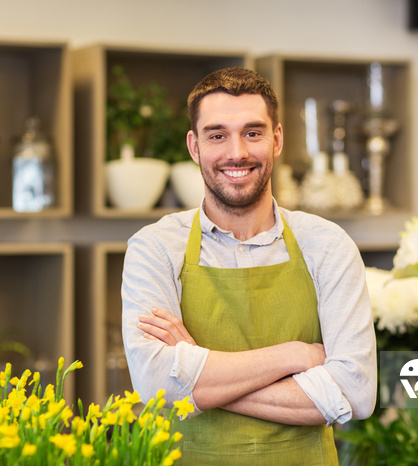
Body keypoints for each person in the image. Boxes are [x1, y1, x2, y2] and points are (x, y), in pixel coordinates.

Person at [122, 67, 376, 465]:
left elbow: (356, 392)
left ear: (276, 139)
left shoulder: (327, 246)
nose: (236, 152)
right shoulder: (154, 248)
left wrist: (197, 371)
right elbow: (156, 384)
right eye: (217, 135)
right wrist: (294, 356)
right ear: (194, 146)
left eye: (252, 133)